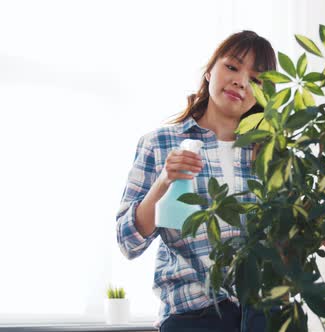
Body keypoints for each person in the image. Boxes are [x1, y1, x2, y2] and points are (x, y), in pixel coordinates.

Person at [116, 30, 277, 332]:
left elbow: (282, 241)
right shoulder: (160, 143)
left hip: (265, 315)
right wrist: (164, 180)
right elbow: (128, 243)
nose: (241, 81)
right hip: (193, 317)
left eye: (256, 80)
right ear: (209, 70)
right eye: (232, 67)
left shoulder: (270, 153)